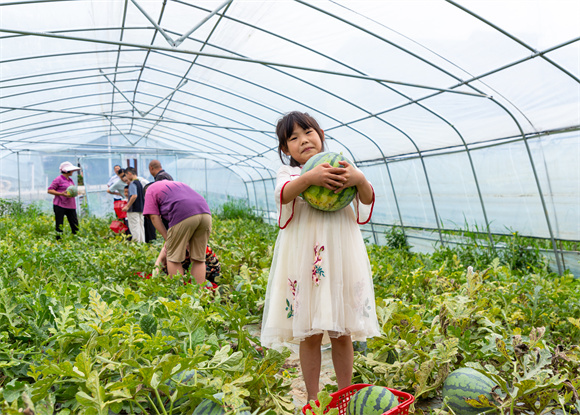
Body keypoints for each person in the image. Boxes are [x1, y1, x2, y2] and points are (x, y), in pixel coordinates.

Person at [259, 111, 380, 401]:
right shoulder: (289, 174)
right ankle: (312, 399)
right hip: (306, 259)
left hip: (339, 254)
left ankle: (345, 395)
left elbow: (366, 196)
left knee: (342, 330)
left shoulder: (342, 166)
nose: (303, 140)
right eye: (293, 138)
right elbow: (284, 195)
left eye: (308, 132)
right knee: (309, 332)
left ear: (321, 134)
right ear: (285, 150)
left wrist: (359, 178)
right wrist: (310, 177)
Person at [143, 180, 211, 284]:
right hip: (205, 212)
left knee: (173, 258)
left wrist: (168, 239)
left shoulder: (149, 190)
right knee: (199, 259)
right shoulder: (177, 184)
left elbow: (153, 217)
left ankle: (179, 294)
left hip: (183, 212)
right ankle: (199, 294)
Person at [47, 161, 81, 240]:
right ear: (67, 171)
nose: (73, 172)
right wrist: (61, 194)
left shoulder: (70, 180)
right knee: (59, 224)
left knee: (74, 223)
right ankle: (59, 240)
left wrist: (75, 193)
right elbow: (50, 190)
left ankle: (76, 238)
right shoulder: (58, 179)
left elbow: (71, 191)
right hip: (60, 205)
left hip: (71, 205)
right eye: (71, 170)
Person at [122, 167, 145, 243]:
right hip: (141, 209)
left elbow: (134, 195)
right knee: (141, 227)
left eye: (126, 175)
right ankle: (142, 244)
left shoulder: (132, 183)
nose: (126, 178)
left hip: (133, 209)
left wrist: (127, 206)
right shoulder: (139, 183)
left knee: (134, 228)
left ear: (129, 173)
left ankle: (136, 245)